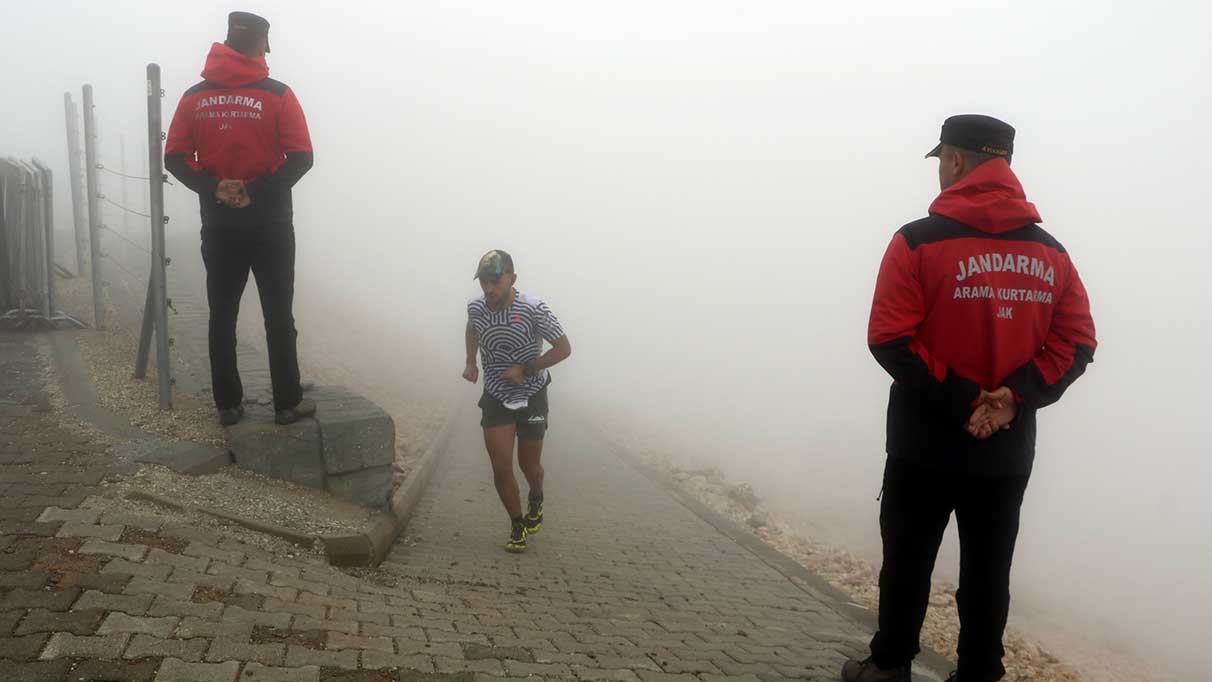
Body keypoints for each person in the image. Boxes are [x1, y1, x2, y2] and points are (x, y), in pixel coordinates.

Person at [842, 115, 1097, 682]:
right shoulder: (1051, 254)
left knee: (907, 560)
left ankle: (887, 667)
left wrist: (962, 402)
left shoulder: (916, 241)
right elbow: (1077, 342)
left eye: (941, 162)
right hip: (1004, 450)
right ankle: (980, 673)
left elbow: (890, 337)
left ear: (954, 162)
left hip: (922, 442)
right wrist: (1011, 399)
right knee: (989, 569)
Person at [164, 11, 316, 426]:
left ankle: (228, 404)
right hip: (270, 225)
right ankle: (288, 402)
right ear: (258, 46)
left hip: (218, 225)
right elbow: (302, 157)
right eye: (266, 45)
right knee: (278, 315)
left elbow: (174, 157)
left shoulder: (194, 98)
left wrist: (213, 186)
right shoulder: (278, 95)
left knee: (222, 313)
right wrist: (255, 190)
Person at [463, 250, 572, 553]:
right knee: (500, 465)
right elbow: (472, 328)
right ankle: (516, 524)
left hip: (532, 393)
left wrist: (527, 368)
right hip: (496, 394)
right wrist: (471, 361)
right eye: (483, 281)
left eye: (495, 281)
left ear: (512, 278)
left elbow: (564, 349)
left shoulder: (534, 309)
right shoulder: (476, 308)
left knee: (529, 465)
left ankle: (536, 494)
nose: (488, 288)